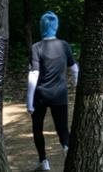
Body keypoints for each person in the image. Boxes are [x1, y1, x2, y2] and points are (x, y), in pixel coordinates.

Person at [27, 11, 79, 171]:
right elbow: (75, 69)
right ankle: (67, 152)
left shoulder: (36, 47)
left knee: (37, 128)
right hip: (59, 94)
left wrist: (29, 100)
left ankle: (44, 162)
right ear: (56, 26)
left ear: (41, 27)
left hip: (40, 95)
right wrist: (77, 86)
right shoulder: (64, 45)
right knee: (62, 129)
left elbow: (34, 73)